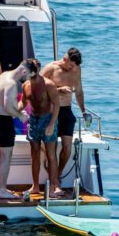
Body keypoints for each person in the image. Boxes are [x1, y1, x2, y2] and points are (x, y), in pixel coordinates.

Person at [42, 48, 87, 177]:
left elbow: (78, 91)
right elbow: (37, 86)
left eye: (75, 66)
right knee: (51, 147)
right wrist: (58, 89)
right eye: (71, 65)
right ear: (65, 59)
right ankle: (51, 173)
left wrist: (83, 112)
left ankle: (58, 174)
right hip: (51, 110)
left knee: (67, 147)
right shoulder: (51, 68)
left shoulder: (77, 69)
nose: (73, 68)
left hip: (66, 110)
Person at [20, 58, 62, 197]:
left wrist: (51, 125)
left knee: (51, 155)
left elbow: (56, 104)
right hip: (33, 119)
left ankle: (52, 187)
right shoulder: (25, 85)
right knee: (35, 154)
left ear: (36, 70)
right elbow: (23, 103)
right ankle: (35, 186)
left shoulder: (49, 85)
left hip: (47, 119)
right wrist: (13, 110)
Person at [0, 61, 30, 198]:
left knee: (3, 156)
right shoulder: (12, 83)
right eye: (29, 76)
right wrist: (20, 116)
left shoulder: (4, 75)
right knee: (6, 157)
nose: (28, 79)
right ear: (24, 71)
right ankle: (1, 190)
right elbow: (7, 107)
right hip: (2, 121)